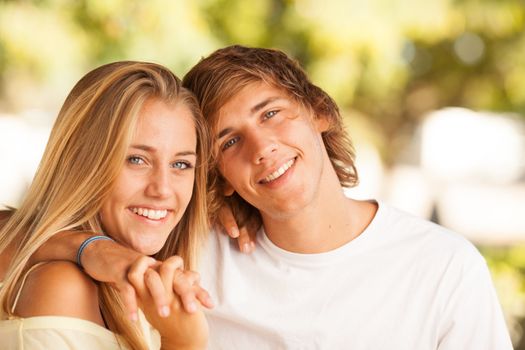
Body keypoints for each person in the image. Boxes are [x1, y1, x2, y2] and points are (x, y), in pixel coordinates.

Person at [19, 46, 514, 349]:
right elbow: (17, 232)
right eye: (229, 141)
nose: (261, 148)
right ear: (222, 175)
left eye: (272, 113)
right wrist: (89, 248)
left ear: (319, 111)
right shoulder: (187, 249)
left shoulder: (444, 267)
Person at [0, 61, 213, 350]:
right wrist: (184, 341)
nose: (163, 189)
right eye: (136, 159)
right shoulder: (63, 286)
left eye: (181, 164)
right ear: (82, 163)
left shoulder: (146, 286)